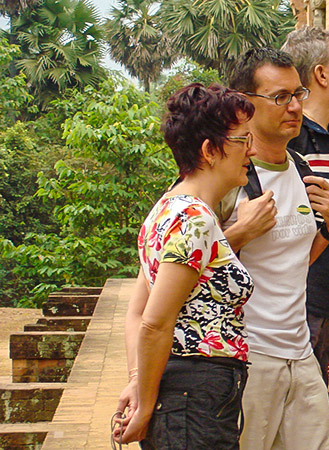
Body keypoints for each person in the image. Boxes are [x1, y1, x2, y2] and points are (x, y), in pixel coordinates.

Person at [113, 83, 257, 448]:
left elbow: (138, 313)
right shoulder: (194, 219)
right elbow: (154, 321)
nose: (251, 151)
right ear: (210, 150)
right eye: (243, 141)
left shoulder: (165, 209)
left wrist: (138, 379)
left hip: (186, 393)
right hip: (194, 396)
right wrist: (144, 403)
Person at [224, 48, 329, 450]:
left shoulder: (304, 170)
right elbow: (180, 264)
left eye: (298, 94)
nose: (294, 106)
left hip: (301, 351)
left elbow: (294, 261)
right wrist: (239, 234)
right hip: (249, 355)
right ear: (243, 104)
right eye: (279, 97)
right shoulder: (227, 179)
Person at [281, 25, 329, 384]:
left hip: (315, 312)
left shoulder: (326, 139)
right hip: (291, 318)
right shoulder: (296, 139)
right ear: (321, 74)